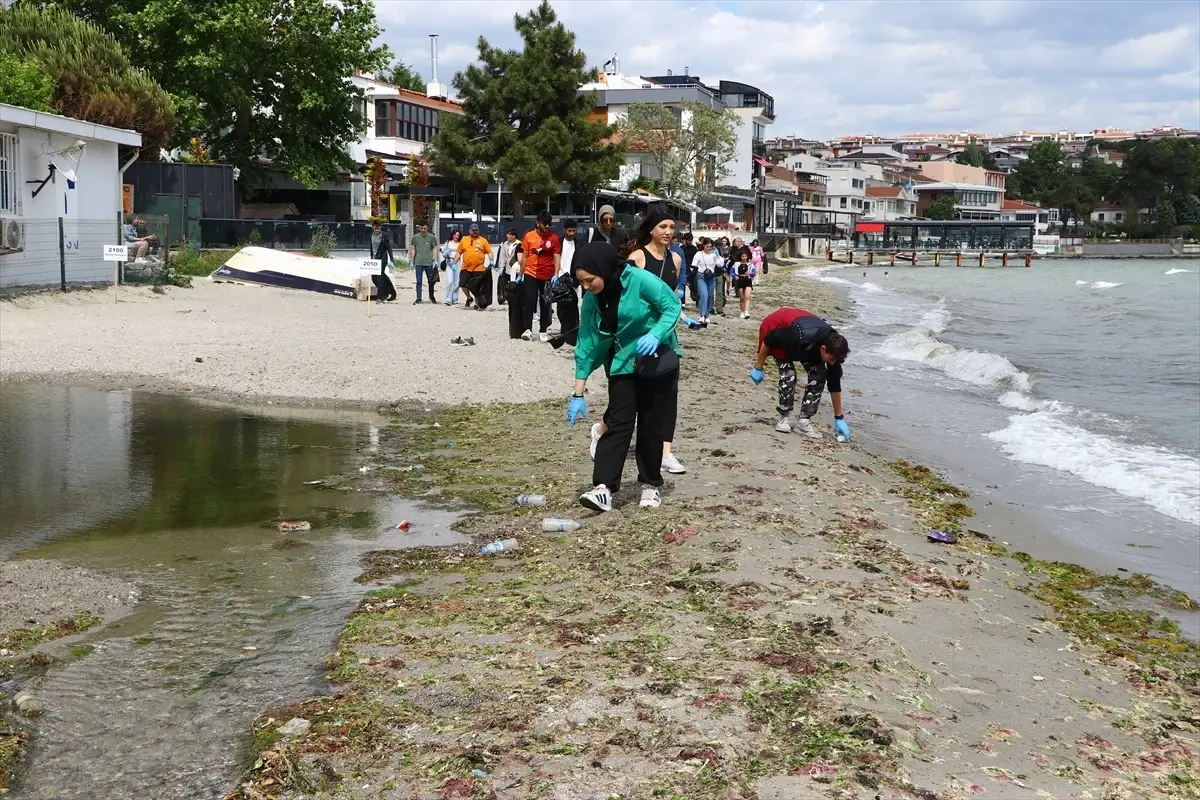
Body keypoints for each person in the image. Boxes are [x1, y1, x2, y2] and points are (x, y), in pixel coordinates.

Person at [567, 242, 682, 512]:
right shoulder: (593, 298)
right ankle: (603, 488)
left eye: (589, 280)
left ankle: (651, 486)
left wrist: (656, 334)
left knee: (652, 425)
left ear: (604, 269)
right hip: (621, 363)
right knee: (619, 422)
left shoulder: (640, 280)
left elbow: (672, 307)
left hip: (655, 360)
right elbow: (586, 341)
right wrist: (578, 392)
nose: (586, 286)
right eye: (581, 282)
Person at [622, 209, 689, 474]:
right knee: (634, 394)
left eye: (672, 227)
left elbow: (671, 299)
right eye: (663, 226)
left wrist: (683, 316)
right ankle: (602, 429)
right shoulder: (637, 257)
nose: (669, 232)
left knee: (669, 393)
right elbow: (626, 296)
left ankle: (666, 453)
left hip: (666, 335)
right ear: (651, 229)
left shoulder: (675, 259)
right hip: (640, 335)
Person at [750, 308, 852, 441]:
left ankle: (804, 421)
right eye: (831, 359)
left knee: (820, 374)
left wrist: (839, 418)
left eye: (835, 360)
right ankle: (784, 417)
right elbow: (770, 338)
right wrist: (759, 366)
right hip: (776, 327)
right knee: (789, 374)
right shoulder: (797, 335)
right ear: (823, 349)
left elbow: (834, 384)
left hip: (807, 343)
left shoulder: (834, 349)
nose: (832, 363)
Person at [518, 212, 561, 342]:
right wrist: (520, 274)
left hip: (547, 275)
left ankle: (543, 330)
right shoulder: (529, 236)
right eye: (544, 223)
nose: (547, 226)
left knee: (545, 303)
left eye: (549, 224)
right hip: (531, 273)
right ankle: (527, 329)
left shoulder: (553, 238)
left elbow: (557, 257)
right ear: (538, 222)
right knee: (529, 301)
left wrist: (556, 274)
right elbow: (524, 256)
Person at [553, 220, 580, 346]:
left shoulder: (579, 244)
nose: (571, 233)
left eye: (574, 230)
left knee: (573, 305)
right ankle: (565, 330)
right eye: (569, 230)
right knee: (561, 306)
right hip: (560, 277)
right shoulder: (558, 242)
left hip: (573, 278)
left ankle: (571, 333)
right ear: (564, 230)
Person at [456, 223, 494, 310]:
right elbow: (458, 252)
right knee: (463, 284)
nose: (475, 232)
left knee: (477, 287)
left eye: (476, 230)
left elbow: (489, 252)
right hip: (466, 267)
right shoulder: (464, 240)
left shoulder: (483, 240)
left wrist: (491, 260)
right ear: (470, 231)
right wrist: (454, 263)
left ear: (478, 231)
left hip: (479, 268)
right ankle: (469, 298)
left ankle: (477, 304)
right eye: (473, 230)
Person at [691, 237, 721, 326]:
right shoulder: (698, 254)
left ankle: (707, 315)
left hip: (711, 276)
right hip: (701, 276)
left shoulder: (713, 254)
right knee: (704, 295)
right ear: (703, 246)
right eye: (707, 246)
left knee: (710, 296)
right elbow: (693, 265)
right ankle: (702, 315)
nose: (709, 248)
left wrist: (717, 255)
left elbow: (720, 264)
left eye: (711, 247)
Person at [409, 220, 439, 304]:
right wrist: (411, 260)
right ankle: (419, 298)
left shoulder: (431, 237)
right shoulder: (415, 237)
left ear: (427, 228)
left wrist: (435, 260)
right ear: (419, 228)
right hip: (418, 262)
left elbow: (435, 248)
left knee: (431, 281)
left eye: (424, 228)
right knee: (419, 281)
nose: (423, 230)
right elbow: (413, 248)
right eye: (421, 228)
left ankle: (431, 296)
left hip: (429, 262)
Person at [370, 221, 397, 302]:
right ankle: (391, 291)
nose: (377, 230)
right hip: (374, 260)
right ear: (372, 228)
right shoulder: (371, 236)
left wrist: (391, 260)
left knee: (380, 278)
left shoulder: (384, 236)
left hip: (382, 259)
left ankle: (381, 296)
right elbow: (372, 248)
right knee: (374, 278)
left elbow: (389, 248)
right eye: (375, 228)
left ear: (381, 227)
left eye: (378, 228)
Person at [441, 229, 462, 306]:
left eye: (458, 235)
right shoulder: (448, 243)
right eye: (455, 234)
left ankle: (455, 298)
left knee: (456, 282)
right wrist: (446, 253)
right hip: (449, 262)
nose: (456, 236)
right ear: (452, 235)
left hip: (458, 263)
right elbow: (443, 252)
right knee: (449, 281)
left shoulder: (460, 243)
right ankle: (448, 299)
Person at [734, 249, 756, 319]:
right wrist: (735, 276)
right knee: (742, 297)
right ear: (740, 257)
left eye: (745, 256)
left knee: (747, 296)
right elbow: (732, 271)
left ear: (747, 257)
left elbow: (754, 272)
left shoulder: (750, 264)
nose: (744, 257)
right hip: (740, 280)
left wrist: (750, 273)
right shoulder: (736, 264)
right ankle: (742, 311)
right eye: (742, 256)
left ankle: (746, 311)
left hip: (748, 280)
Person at [713, 236, 731, 317]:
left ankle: (715, 308)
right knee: (719, 292)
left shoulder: (717, 252)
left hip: (716, 274)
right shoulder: (715, 252)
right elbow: (720, 264)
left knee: (716, 292)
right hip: (717, 273)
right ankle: (719, 309)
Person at [681, 232, 698, 306]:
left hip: (692, 270)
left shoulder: (694, 249)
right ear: (684, 240)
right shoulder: (681, 249)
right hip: (683, 270)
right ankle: (682, 303)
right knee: (682, 287)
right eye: (688, 240)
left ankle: (695, 298)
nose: (689, 241)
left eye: (691, 240)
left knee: (694, 287)